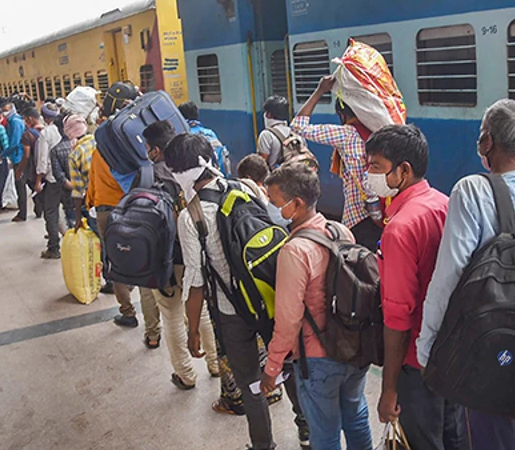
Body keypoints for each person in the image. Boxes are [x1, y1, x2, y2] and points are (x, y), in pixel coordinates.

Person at [417, 99, 515, 450]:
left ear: (487, 142)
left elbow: (450, 274)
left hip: (487, 353)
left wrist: (428, 347)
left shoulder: (471, 190)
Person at [172, 133, 283, 448]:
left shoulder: (190, 216)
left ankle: (263, 445)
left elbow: (195, 282)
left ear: (180, 173)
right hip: (269, 297)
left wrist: (193, 330)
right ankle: (306, 431)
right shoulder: (246, 188)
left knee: (249, 383)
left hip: (231, 311)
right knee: (287, 365)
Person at [366, 125, 466, 449]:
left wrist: (389, 389)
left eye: (376, 167)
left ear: (404, 170)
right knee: (455, 437)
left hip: (415, 360)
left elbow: (398, 317)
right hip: (452, 350)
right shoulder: (444, 203)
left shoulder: (399, 228)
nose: (369, 175)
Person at [260, 163, 368, 450]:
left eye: (275, 202)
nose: (271, 208)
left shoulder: (294, 250)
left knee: (325, 433)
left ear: (296, 204)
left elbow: (289, 320)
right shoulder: (340, 230)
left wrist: (272, 367)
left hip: (318, 357)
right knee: (356, 416)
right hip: (354, 346)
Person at [133, 121, 220, 383]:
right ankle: (215, 363)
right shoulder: (193, 166)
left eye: (148, 148)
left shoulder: (147, 176)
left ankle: (185, 374)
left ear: (155, 150)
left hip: (164, 259)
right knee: (201, 309)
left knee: (170, 315)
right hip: (195, 253)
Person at [291, 75, 381, 251]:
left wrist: (320, 91)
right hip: (381, 212)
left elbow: (298, 127)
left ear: (343, 114)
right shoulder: (378, 131)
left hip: (358, 216)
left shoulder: (347, 134)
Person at [86, 142, 137, 326]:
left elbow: (92, 181)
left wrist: (89, 203)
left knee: (115, 260)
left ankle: (128, 312)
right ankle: (133, 281)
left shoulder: (98, 153)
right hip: (130, 207)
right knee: (138, 252)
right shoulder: (129, 150)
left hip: (106, 211)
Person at [34, 103, 63, 259]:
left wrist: (38, 181)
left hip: (52, 178)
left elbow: (42, 160)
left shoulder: (46, 133)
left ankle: (53, 247)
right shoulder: (65, 129)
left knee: (51, 212)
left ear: (44, 117)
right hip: (68, 177)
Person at [16, 108, 44, 218]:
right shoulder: (46, 130)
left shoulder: (27, 135)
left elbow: (26, 155)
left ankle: (22, 213)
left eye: (25, 119)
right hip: (44, 164)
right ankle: (39, 209)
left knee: (24, 186)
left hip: (32, 166)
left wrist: (20, 170)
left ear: (30, 119)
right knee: (38, 187)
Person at [2, 102, 26, 222]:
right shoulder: (13, 121)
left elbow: (14, 142)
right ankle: (38, 208)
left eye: (6, 110)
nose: (4, 112)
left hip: (19, 156)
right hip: (18, 155)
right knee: (26, 183)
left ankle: (23, 213)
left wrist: (3, 154)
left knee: (20, 185)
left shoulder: (15, 122)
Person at [258, 96, 292, 168]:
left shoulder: (266, 135)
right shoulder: (295, 133)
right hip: (297, 173)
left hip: (276, 174)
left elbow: (261, 164)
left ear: (269, 114)